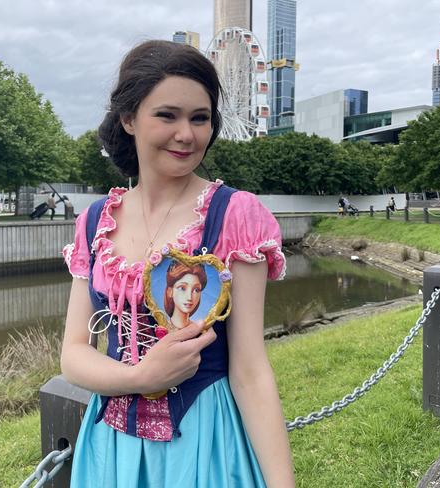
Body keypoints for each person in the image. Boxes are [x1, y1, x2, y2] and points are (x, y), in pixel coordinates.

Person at [61, 40, 294, 487]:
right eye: (167, 115)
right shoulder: (94, 222)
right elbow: (73, 354)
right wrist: (142, 375)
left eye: (199, 118)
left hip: (203, 442)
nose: (186, 134)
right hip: (112, 450)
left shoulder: (235, 216)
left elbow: (250, 370)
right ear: (128, 119)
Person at [165, 262, 206, 329]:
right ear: (170, 291)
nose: (189, 297)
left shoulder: (200, 328)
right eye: (182, 288)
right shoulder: (161, 325)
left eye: (196, 290)